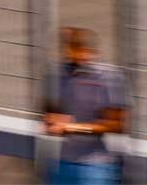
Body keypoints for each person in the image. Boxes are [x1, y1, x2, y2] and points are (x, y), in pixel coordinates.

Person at [44, 27, 130, 185]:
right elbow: (49, 113)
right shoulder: (57, 74)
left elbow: (117, 124)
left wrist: (73, 128)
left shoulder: (108, 77)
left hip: (98, 165)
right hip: (63, 162)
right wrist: (51, 120)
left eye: (77, 48)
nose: (72, 55)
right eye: (68, 47)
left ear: (90, 50)